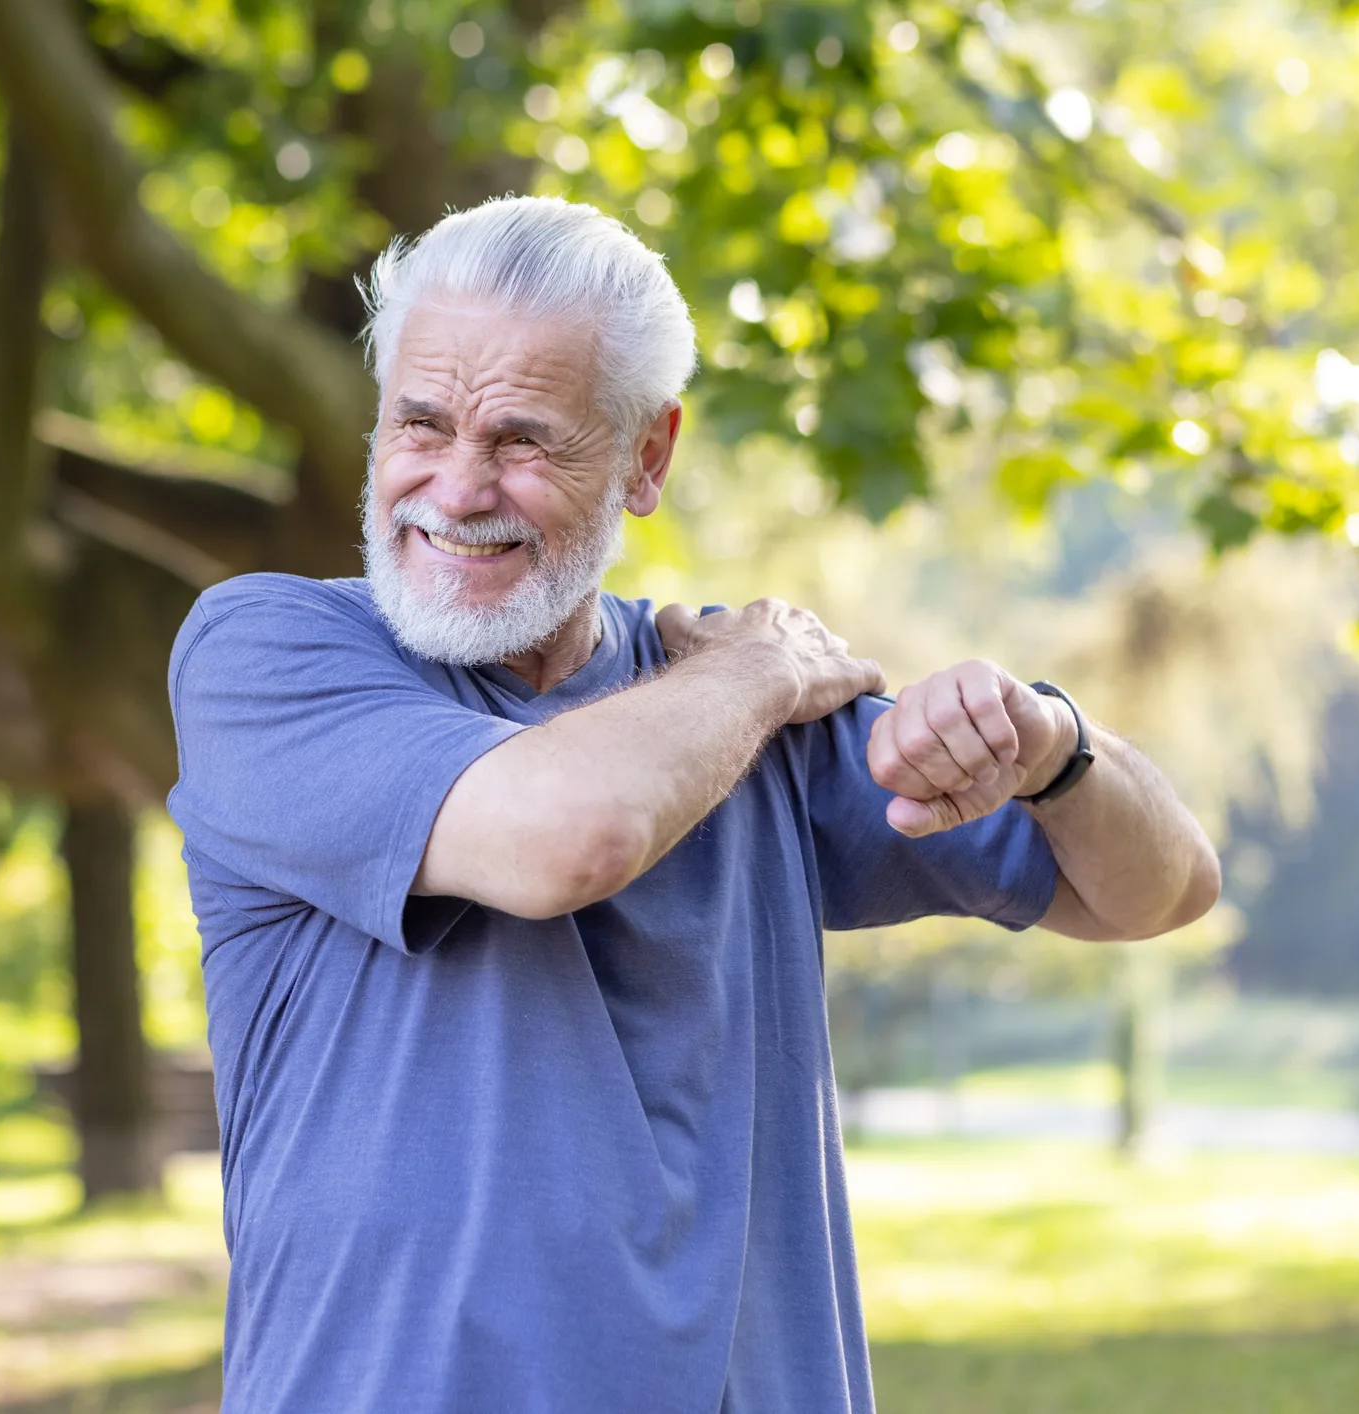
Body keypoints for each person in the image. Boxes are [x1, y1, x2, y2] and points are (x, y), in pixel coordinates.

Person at [166, 196, 1218, 1413]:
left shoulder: (735, 716)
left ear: (645, 457)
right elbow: (564, 836)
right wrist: (757, 669)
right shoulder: (267, 653)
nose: (454, 487)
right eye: (419, 422)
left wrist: (1051, 748)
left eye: (521, 440)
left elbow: (1154, 891)